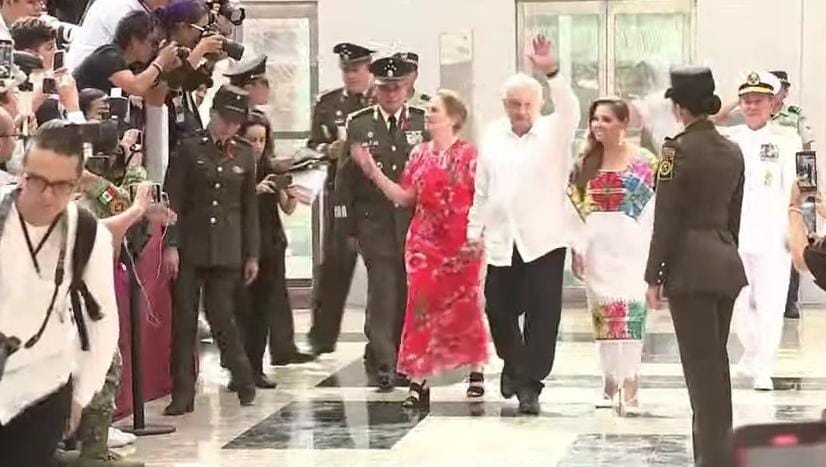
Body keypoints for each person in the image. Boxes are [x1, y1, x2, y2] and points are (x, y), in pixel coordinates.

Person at [349, 89, 487, 408]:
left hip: (462, 242)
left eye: (435, 110)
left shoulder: (471, 156)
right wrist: (373, 172)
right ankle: (418, 379)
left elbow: (483, 199)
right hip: (423, 243)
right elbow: (404, 197)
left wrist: (480, 234)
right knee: (420, 307)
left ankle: (475, 369)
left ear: (453, 118)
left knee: (465, 304)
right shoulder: (419, 154)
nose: (428, 115)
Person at [467, 36, 580, 415]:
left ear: (540, 104)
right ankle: (515, 364)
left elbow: (570, 107)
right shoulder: (493, 134)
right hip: (502, 239)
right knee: (498, 309)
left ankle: (529, 384)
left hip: (545, 238)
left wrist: (552, 71)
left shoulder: (554, 130)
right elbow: (482, 188)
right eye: (514, 104)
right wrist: (473, 231)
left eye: (528, 104)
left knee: (542, 316)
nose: (521, 110)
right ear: (504, 105)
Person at [0, 120, 119, 467]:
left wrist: (81, 395)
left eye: (61, 185)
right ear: (21, 172)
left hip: (44, 388)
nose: (47, 195)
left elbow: (103, 323)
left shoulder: (86, 233)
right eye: (36, 180)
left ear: (78, 183)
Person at [644, 66, 746, 467]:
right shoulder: (732, 151)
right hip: (724, 263)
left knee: (701, 370)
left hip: (690, 269)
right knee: (715, 365)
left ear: (678, 107)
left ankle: (714, 458)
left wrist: (654, 275)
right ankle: (714, 452)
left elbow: (666, 217)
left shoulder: (674, 150)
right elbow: (733, 216)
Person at [162, 85, 259, 415]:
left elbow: (249, 208)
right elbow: (173, 200)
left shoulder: (244, 153)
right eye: (225, 119)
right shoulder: (189, 148)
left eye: (236, 122)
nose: (230, 126)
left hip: (227, 248)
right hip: (191, 247)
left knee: (222, 317)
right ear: (213, 113)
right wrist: (171, 244)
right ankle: (182, 392)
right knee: (184, 322)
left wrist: (252, 254)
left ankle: (243, 376)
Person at [334, 55, 427, 391]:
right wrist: (345, 228)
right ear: (377, 88)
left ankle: (399, 358)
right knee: (383, 294)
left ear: (407, 88)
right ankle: (386, 363)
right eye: (385, 87)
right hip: (374, 225)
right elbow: (344, 181)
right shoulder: (360, 125)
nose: (391, 94)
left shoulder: (422, 123)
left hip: (413, 226)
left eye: (397, 87)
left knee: (407, 295)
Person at [568, 97, 657, 414]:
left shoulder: (645, 162)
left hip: (634, 250)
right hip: (597, 252)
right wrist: (577, 247)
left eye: (606, 119)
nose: (598, 125)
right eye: (595, 119)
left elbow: (656, 210)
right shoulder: (584, 163)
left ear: (623, 123)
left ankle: (631, 381)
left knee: (632, 316)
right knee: (604, 317)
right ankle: (609, 381)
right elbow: (574, 212)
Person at [722, 72, 800, 391]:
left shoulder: (788, 139)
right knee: (742, 302)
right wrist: (731, 102)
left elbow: (799, 186)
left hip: (774, 234)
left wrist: (798, 229)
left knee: (771, 301)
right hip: (737, 233)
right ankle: (751, 352)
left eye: (758, 101)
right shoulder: (730, 137)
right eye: (746, 101)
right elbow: (698, 123)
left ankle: (764, 365)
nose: (751, 106)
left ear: (772, 104)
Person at [306, 42, 375, 356]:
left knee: (382, 270)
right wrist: (327, 151)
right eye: (346, 70)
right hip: (340, 195)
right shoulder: (329, 104)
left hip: (376, 196)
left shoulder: (382, 100)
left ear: (369, 69)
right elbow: (312, 147)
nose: (351, 76)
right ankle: (322, 337)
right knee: (335, 265)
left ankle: (381, 339)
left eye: (356, 69)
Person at [231, 110, 303, 388]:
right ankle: (239, 369)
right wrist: (254, 190)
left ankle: (256, 368)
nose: (258, 146)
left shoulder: (272, 167)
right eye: (252, 140)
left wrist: (291, 193)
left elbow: (287, 207)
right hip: (241, 245)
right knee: (241, 310)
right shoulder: (232, 166)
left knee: (262, 309)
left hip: (270, 243)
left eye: (262, 140)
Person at [769, 71, 815, 320]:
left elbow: (807, 151)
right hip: (763, 191)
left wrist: (808, 190)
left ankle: (790, 301)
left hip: (789, 191)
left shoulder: (794, 116)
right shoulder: (755, 115)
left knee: (792, 243)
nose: (779, 92)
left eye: (782, 88)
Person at [72, 10, 182, 96]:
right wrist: (161, 60)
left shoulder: (130, 65)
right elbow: (136, 87)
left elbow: (147, 88)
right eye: (152, 42)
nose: (154, 49)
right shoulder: (109, 56)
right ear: (134, 40)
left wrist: (165, 68)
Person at [66, 0, 169, 70]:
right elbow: (139, 54)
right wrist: (163, 58)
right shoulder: (120, 5)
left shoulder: (143, 8)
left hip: (108, 80)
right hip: (82, 84)